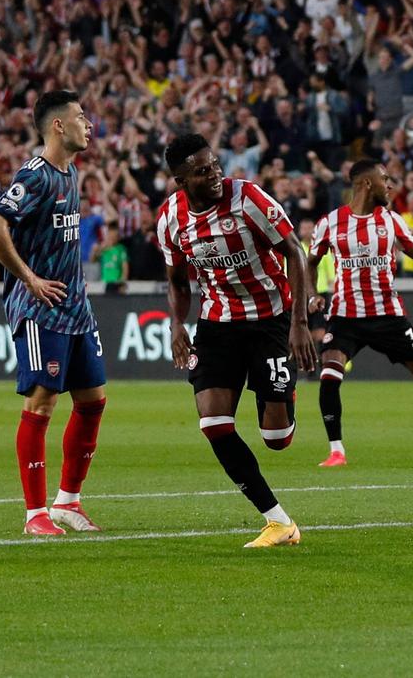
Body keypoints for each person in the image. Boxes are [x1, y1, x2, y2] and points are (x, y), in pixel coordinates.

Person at [157, 132, 320, 549]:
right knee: (212, 422)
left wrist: (299, 322)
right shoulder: (170, 219)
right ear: (180, 181)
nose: (214, 176)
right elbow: (176, 280)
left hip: (270, 321)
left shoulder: (248, 198)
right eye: (201, 172)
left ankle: (281, 394)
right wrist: (178, 326)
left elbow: (295, 253)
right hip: (217, 324)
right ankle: (278, 521)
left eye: (214, 166)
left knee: (276, 440)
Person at [0, 89, 107, 538]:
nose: (88, 124)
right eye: (80, 117)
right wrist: (29, 278)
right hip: (41, 309)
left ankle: (68, 502)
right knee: (43, 402)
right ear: (58, 125)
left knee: (93, 401)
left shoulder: (70, 173)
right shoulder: (34, 177)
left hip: (76, 310)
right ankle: (35, 513)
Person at [306, 157, 413, 468]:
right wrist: (312, 295)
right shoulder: (330, 223)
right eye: (384, 179)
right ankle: (336, 450)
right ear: (367, 184)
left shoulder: (391, 221)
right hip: (344, 316)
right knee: (329, 375)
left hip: (387, 315)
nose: (389, 185)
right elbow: (309, 263)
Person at [91, 223, 129, 296]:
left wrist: (122, 282)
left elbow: (125, 268)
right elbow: (93, 260)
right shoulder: (104, 249)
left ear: (118, 237)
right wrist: (96, 250)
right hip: (104, 283)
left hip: (116, 283)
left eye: (114, 236)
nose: (112, 238)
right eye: (110, 236)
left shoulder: (121, 249)